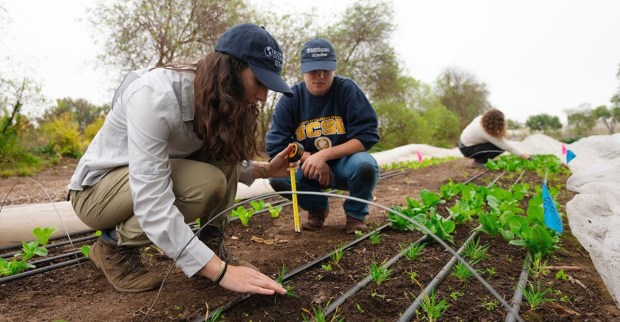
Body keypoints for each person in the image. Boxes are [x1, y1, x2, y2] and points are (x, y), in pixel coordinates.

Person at [67, 23, 296, 295]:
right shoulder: (155, 96)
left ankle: (212, 245)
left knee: (225, 149)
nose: (262, 95)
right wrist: (219, 272)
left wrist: (266, 170)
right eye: (259, 82)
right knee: (206, 184)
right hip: (97, 193)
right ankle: (111, 247)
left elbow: (226, 159)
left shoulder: (216, 99)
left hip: (139, 182)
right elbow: (152, 200)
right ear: (231, 70)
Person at [265, 38, 380, 234]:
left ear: (334, 68)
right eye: (313, 70)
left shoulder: (347, 90)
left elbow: (366, 136)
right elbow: (277, 145)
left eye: (326, 70)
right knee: (279, 178)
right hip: (308, 169)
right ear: (303, 69)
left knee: (365, 165)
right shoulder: (291, 98)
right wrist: (310, 158)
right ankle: (317, 208)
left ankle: (355, 215)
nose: (320, 76)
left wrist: (324, 155)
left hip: (346, 165)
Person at [458, 109, 529, 167]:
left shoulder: (481, 118)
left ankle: (479, 160)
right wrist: (523, 155)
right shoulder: (484, 131)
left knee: (497, 145)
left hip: (463, 143)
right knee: (500, 147)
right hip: (467, 149)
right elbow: (506, 146)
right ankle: (479, 162)